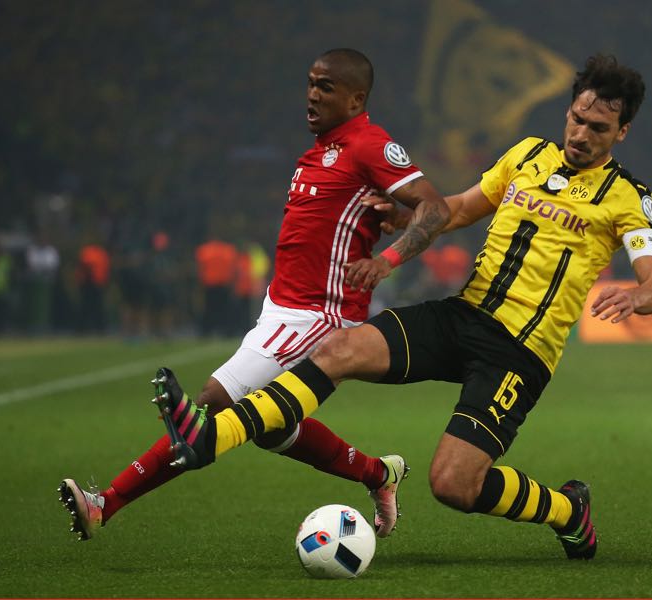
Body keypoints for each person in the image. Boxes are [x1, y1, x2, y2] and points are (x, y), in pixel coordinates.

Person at [140, 54, 652, 560]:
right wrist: (400, 216)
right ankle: (215, 434)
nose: (581, 135)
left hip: (518, 353)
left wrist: (635, 295)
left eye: (598, 129)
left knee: (453, 485)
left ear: (621, 133)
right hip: (462, 316)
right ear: (569, 109)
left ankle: (567, 509)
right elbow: (462, 206)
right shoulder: (527, 154)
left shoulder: (627, 196)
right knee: (339, 346)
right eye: (577, 119)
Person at [59, 48, 449, 541]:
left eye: (326, 87)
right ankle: (378, 475)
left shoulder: (370, 144)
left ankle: (105, 504)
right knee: (272, 428)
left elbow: (434, 209)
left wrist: (386, 260)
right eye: (310, 82)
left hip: (317, 316)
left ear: (356, 98)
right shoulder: (318, 151)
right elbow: (358, 211)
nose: (311, 94)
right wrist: (389, 213)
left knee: (211, 407)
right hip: (279, 306)